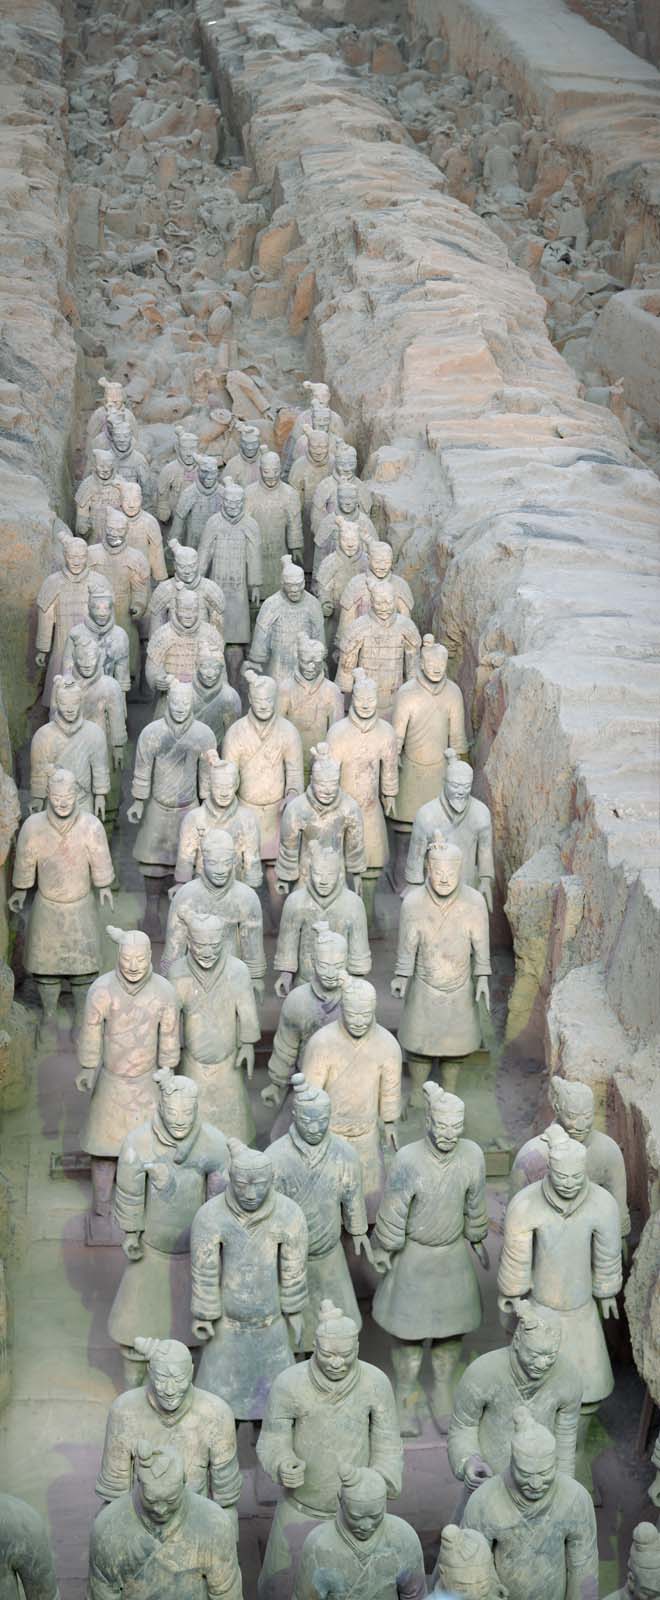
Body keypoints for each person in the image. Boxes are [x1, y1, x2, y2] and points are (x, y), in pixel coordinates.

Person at [257, 1303, 402, 1600]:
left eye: (345, 1355)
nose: (337, 1363)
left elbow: (388, 1443)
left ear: (358, 1347)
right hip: (300, 1509)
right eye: (328, 1355)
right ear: (314, 1346)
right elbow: (273, 1438)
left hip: (359, 1518)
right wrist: (282, 1462)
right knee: (280, 1590)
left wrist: (378, 1484)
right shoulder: (289, 1384)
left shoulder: (375, 1383)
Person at [191, 1141, 308, 1421]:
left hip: (271, 1323)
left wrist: (293, 1310)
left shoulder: (289, 1214)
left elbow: (293, 1268)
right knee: (218, 1408)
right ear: (231, 1178)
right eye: (242, 1184)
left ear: (272, 1179)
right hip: (226, 1328)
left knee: (273, 1407)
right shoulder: (211, 1215)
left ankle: (266, 1457)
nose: (251, 1193)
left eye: (260, 1184)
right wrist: (205, 1315)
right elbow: (204, 1269)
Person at [462, 1409, 599, 1600]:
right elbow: (471, 1562)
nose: (535, 1485)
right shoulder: (484, 1500)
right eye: (525, 1474)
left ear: (555, 1464)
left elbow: (583, 1568)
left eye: (544, 1473)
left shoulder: (575, 1499)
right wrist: (490, 1586)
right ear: (512, 1463)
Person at [87, 1441, 243, 1600]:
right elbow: (102, 1594)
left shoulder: (214, 1523)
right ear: (139, 1483)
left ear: (184, 1481)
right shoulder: (108, 1528)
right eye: (151, 1500)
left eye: (170, 1501)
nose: (160, 1510)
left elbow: (226, 1594)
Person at [293, 1467, 426, 1600]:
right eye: (356, 1517)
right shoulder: (319, 1543)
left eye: (375, 1516)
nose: (366, 1526)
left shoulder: (402, 1535)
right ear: (341, 1500)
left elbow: (415, 1595)